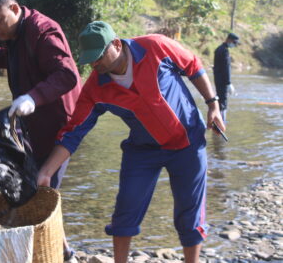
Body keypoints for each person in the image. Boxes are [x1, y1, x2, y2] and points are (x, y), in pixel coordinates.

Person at [37, 21, 226, 263]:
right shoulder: (96, 87)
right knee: (126, 210)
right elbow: (74, 131)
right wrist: (46, 171)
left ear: (116, 44)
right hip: (143, 151)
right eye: (90, 60)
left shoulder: (155, 47)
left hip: (188, 142)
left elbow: (192, 65)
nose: (95, 65)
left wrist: (213, 105)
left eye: (98, 57)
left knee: (189, 213)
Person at [0, 0, 82, 261]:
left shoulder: (43, 30)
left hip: (60, 126)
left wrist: (34, 98)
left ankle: (52, 254)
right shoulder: (15, 33)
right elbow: (7, 55)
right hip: (31, 126)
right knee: (26, 188)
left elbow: (67, 75)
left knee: (42, 190)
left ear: (14, 8)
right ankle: (62, 251)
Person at [213, 33, 240, 122]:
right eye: (234, 42)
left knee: (220, 100)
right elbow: (226, 68)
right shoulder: (223, 51)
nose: (234, 44)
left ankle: (218, 122)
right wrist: (228, 83)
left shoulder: (219, 49)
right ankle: (221, 123)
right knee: (222, 102)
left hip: (219, 80)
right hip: (222, 81)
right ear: (228, 40)